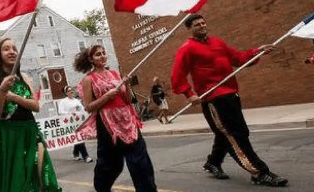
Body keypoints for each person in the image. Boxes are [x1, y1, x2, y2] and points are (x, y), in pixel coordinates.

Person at [171, 14, 288, 186]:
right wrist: (189, 94)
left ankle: (213, 162)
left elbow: (239, 59)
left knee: (225, 133)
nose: (202, 26)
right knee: (236, 135)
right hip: (214, 98)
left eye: (204, 23)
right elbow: (177, 76)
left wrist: (258, 51)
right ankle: (260, 173)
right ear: (189, 29)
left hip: (231, 94)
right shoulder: (187, 48)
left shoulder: (218, 43)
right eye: (197, 25)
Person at [74, 44, 157, 192]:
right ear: (91, 59)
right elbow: (89, 107)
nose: (103, 56)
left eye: (104, 53)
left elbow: (129, 100)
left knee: (141, 162)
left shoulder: (115, 74)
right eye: (98, 54)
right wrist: (105, 97)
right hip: (108, 124)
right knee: (110, 164)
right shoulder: (89, 80)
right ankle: (102, 188)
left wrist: (127, 85)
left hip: (128, 121)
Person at [0, 38, 61, 192]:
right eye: (6, 49)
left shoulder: (24, 77)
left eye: (14, 48)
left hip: (30, 132)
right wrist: (2, 91)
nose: (12, 52)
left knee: (40, 175)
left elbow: (36, 106)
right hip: (9, 136)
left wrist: (15, 97)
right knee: (18, 180)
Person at [58, 85, 93, 163]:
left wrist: (86, 114)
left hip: (78, 122)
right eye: (69, 90)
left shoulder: (76, 101)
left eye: (71, 90)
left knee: (77, 138)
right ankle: (86, 156)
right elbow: (60, 112)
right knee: (79, 138)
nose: (71, 91)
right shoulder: (63, 102)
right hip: (70, 123)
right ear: (66, 93)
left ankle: (75, 154)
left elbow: (82, 110)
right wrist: (70, 113)